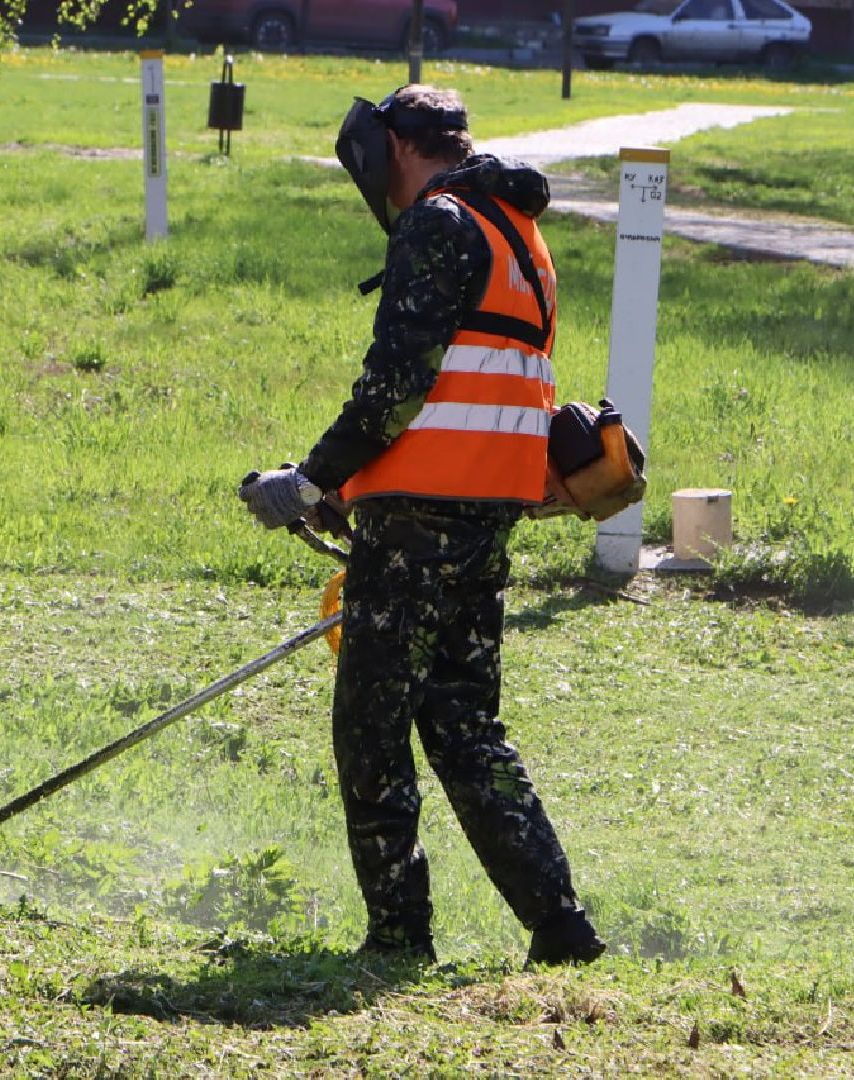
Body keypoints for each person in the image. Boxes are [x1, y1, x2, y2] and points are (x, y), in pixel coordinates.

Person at [237, 85, 605, 968]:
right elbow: (464, 390)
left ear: (393, 149)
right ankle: (558, 924)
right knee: (463, 721)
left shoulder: (437, 223)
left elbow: (397, 383)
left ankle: (398, 938)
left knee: (371, 724)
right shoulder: (516, 232)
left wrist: (310, 478)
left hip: (417, 522)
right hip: (484, 511)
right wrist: (348, 486)